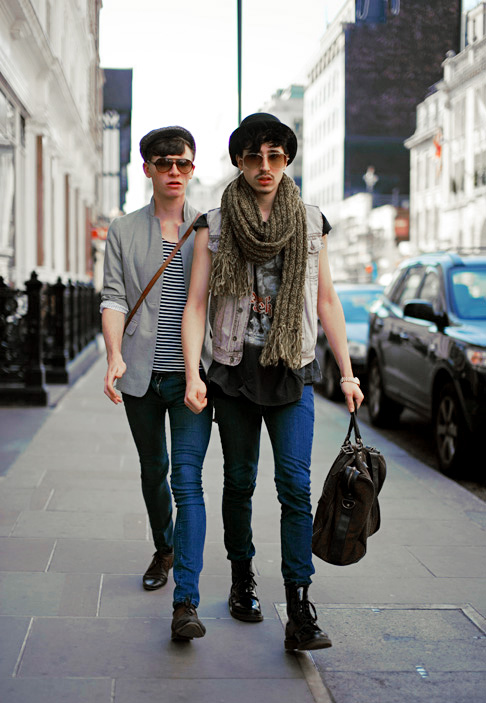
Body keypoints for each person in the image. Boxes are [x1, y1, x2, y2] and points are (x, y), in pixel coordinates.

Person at [182, 113, 363, 651]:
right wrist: (193, 373)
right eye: (254, 157)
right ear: (239, 161)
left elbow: (326, 300)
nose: (265, 166)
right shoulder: (214, 225)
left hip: (293, 370)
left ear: (287, 159)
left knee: (295, 487)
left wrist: (348, 374)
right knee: (239, 482)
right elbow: (197, 305)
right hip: (234, 370)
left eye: (275, 156)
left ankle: (299, 605)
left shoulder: (310, 221)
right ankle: (242, 578)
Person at [101, 126, 212, 642]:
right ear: (146, 168)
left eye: (182, 163)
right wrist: (114, 356)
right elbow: (114, 297)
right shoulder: (124, 230)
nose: (173, 171)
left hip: (193, 377)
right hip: (142, 375)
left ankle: (186, 599)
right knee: (154, 471)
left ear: (192, 169)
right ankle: (163, 548)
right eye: (163, 163)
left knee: (187, 480)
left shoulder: (209, 227)